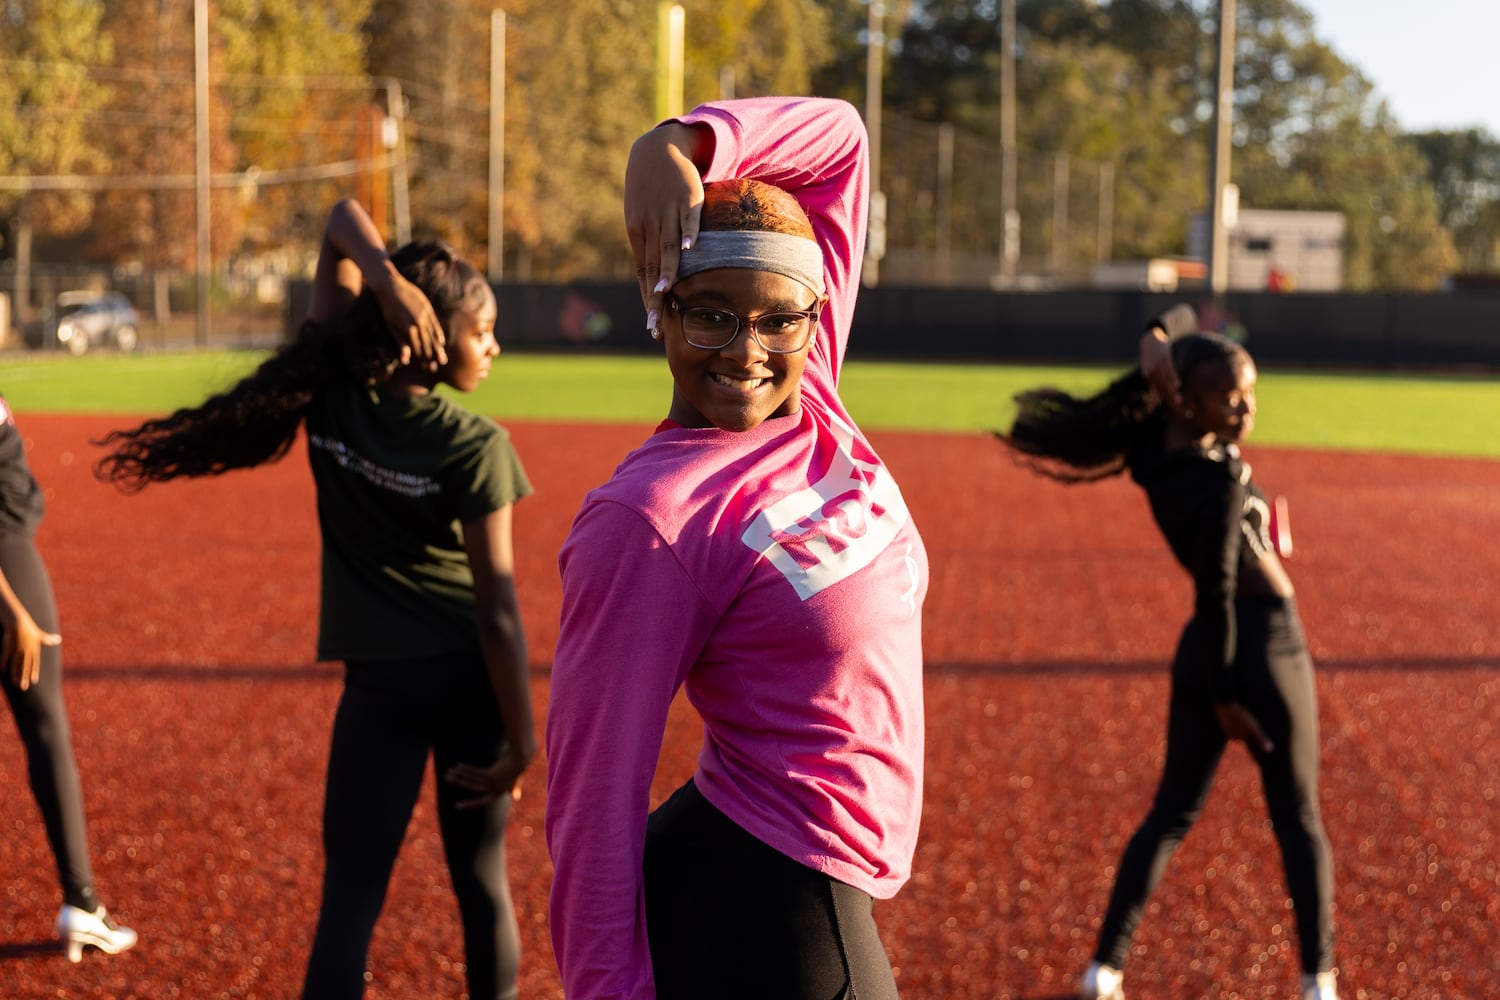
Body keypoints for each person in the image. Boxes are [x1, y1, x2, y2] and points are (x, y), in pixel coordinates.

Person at [94, 198, 536, 1000]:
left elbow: (337, 221)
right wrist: (522, 739)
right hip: (468, 686)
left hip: (380, 691)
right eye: (483, 331)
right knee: (481, 885)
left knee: (351, 898)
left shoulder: (332, 396)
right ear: (428, 336)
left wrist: (382, 279)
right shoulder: (477, 446)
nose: (495, 346)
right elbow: (498, 612)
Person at [543, 96, 928, 1000]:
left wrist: (683, 142)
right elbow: (593, 797)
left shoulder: (811, 394)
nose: (746, 352)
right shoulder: (650, 518)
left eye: (777, 321)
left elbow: (841, 139)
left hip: (784, 875)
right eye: (709, 314)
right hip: (773, 908)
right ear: (660, 305)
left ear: (813, 317)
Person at [997, 305, 1339, 1000]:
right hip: (1262, 646)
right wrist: (1225, 700)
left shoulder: (1158, 450)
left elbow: (1178, 326)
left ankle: (1105, 969)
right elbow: (1217, 594)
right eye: (1230, 397)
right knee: (1299, 821)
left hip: (1209, 647)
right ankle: (1319, 984)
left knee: (1171, 814)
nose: (1245, 409)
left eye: (1250, 395)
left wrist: (1156, 337)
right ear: (1187, 396)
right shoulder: (1214, 484)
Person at [0, 396, 139, 963]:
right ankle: (82, 901)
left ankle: (82, 902)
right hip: (8, 573)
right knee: (47, 732)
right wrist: (11, 611)